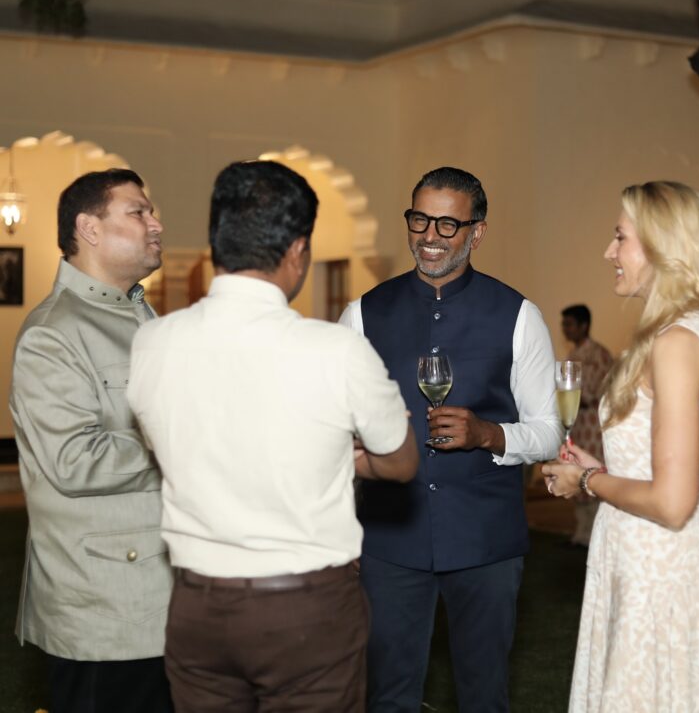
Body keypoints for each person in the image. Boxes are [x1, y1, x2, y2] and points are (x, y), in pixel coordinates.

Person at [127, 160, 418, 713]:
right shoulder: (336, 351)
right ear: (297, 251)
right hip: (306, 609)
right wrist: (345, 457)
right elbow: (401, 462)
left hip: (196, 603)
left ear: (216, 243)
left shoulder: (153, 343)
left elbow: (172, 444)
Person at [339, 166, 561, 713]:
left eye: (446, 224)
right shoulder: (363, 314)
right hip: (391, 539)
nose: (429, 236)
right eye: (419, 219)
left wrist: (488, 433)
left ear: (476, 232)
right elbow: (336, 434)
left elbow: (549, 432)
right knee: (388, 695)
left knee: (484, 695)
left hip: (486, 541)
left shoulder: (518, 316)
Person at [543, 181, 699, 712]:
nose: (609, 252)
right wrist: (602, 467)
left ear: (661, 248)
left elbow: (674, 501)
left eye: (620, 238)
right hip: (640, 563)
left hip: (659, 576)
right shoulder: (680, 334)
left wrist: (586, 482)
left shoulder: (677, 343)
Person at [9, 169, 173, 712]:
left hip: (160, 597)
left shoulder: (139, 314)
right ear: (90, 228)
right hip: (106, 610)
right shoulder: (54, 332)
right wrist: (188, 444)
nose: (157, 224)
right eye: (139, 212)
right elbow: (74, 461)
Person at [561, 304, 613, 546]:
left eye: (569, 323)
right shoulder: (572, 355)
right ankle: (582, 532)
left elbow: (605, 391)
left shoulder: (600, 355)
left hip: (594, 422)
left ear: (584, 325)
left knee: (592, 474)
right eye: (564, 324)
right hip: (576, 422)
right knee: (575, 471)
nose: (565, 329)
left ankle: (595, 534)